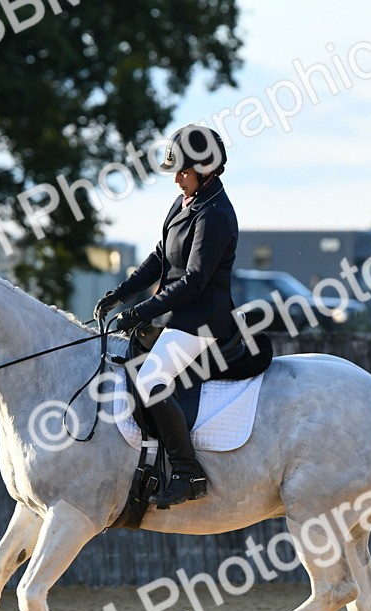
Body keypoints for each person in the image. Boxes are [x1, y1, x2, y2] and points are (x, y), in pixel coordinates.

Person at [94, 124, 238, 509]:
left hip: (201, 321)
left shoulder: (216, 214)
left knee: (151, 380)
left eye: (183, 172)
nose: (176, 179)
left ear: (206, 169)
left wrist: (140, 311)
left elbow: (193, 281)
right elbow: (161, 257)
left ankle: (188, 472)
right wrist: (120, 294)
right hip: (174, 316)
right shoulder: (185, 202)